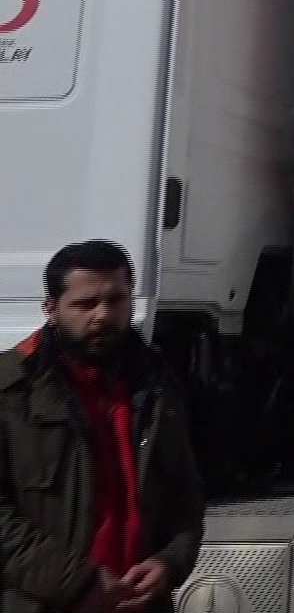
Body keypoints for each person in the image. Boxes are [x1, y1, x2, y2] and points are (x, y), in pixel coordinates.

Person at [0, 240, 205, 613]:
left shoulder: (158, 385)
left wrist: (169, 563)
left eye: (116, 300)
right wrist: (78, 583)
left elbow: (186, 495)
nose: (103, 315)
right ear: (51, 309)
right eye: (86, 304)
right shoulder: (12, 392)